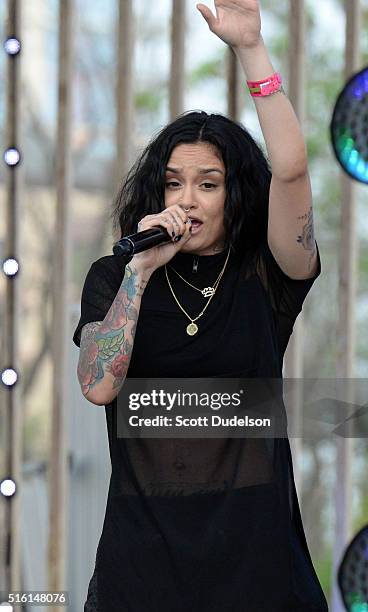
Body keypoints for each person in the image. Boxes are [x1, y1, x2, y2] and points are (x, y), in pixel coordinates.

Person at [73, 1, 328, 610]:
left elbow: (291, 173)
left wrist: (251, 49)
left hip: (255, 568)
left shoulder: (263, 274)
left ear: (235, 195)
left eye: (208, 184)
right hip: (143, 567)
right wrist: (139, 274)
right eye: (173, 183)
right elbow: (97, 385)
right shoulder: (117, 274)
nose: (187, 200)